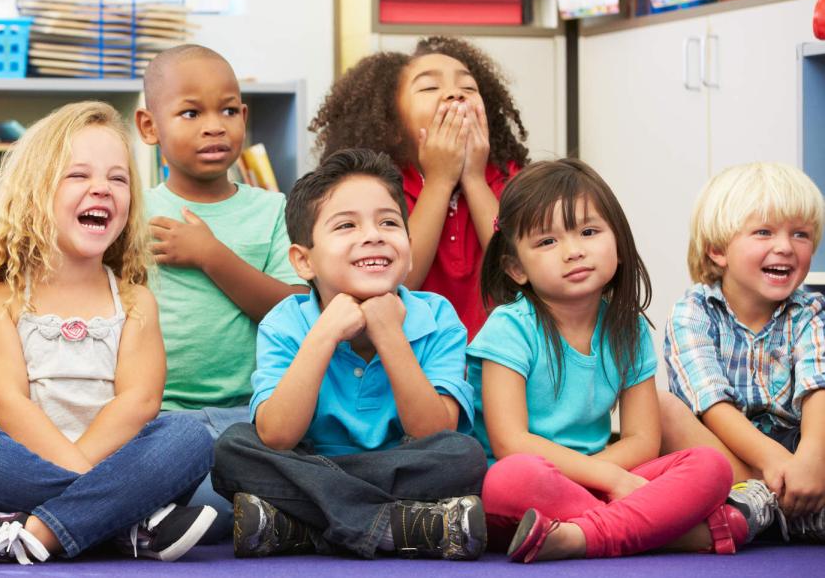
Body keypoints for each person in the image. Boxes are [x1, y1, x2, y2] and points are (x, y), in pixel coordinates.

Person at [0, 101, 216, 565]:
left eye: (117, 179)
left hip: (119, 462)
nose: (102, 189)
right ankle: (127, 524)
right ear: (35, 194)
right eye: (79, 176)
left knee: (189, 437)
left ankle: (28, 531)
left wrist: (92, 467)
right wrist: (87, 478)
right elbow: (5, 404)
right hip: (29, 467)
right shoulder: (5, 301)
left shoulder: (135, 303)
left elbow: (138, 403)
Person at [470, 158, 754, 563]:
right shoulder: (509, 327)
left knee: (711, 466)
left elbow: (642, 439)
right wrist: (607, 479)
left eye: (588, 232)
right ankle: (663, 533)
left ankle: (582, 536)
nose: (573, 251)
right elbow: (511, 443)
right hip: (534, 487)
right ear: (516, 267)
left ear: (617, 244)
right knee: (509, 478)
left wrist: (601, 476)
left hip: (602, 478)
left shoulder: (628, 328)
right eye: (547, 242)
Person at [212, 148, 488, 561]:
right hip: (312, 460)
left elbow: (434, 431)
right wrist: (323, 335)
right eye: (346, 225)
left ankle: (301, 527)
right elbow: (277, 435)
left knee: (463, 457)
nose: (373, 235)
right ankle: (396, 525)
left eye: (389, 223)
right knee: (234, 448)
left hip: (399, 464)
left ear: (409, 249)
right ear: (303, 261)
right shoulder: (284, 323)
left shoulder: (437, 316)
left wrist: (390, 335)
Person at [136, 44, 307, 538]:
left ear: (245, 117)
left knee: (254, 482)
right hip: (159, 418)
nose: (215, 125)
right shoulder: (133, 212)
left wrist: (211, 255)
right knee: (160, 478)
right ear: (150, 127)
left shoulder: (275, 210)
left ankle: (185, 518)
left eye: (228, 110)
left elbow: (295, 311)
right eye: (191, 112)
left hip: (251, 417)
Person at [309, 37, 530, 337]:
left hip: (499, 353)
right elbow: (397, 281)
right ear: (394, 128)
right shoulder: (380, 190)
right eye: (429, 88)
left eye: (468, 88)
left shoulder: (508, 176)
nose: (455, 94)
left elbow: (522, 271)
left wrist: (475, 179)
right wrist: (440, 180)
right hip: (415, 355)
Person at [661, 161, 825, 543]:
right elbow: (712, 405)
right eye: (764, 232)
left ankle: (773, 509)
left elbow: (818, 387)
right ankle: (781, 505)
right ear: (718, 250)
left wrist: (812, 461)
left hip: (803, 459)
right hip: (735, 461)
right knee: (661, 409)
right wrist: (778, 466)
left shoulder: (809, 312)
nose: (785, 246)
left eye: (800, 234)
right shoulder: (693, 312)